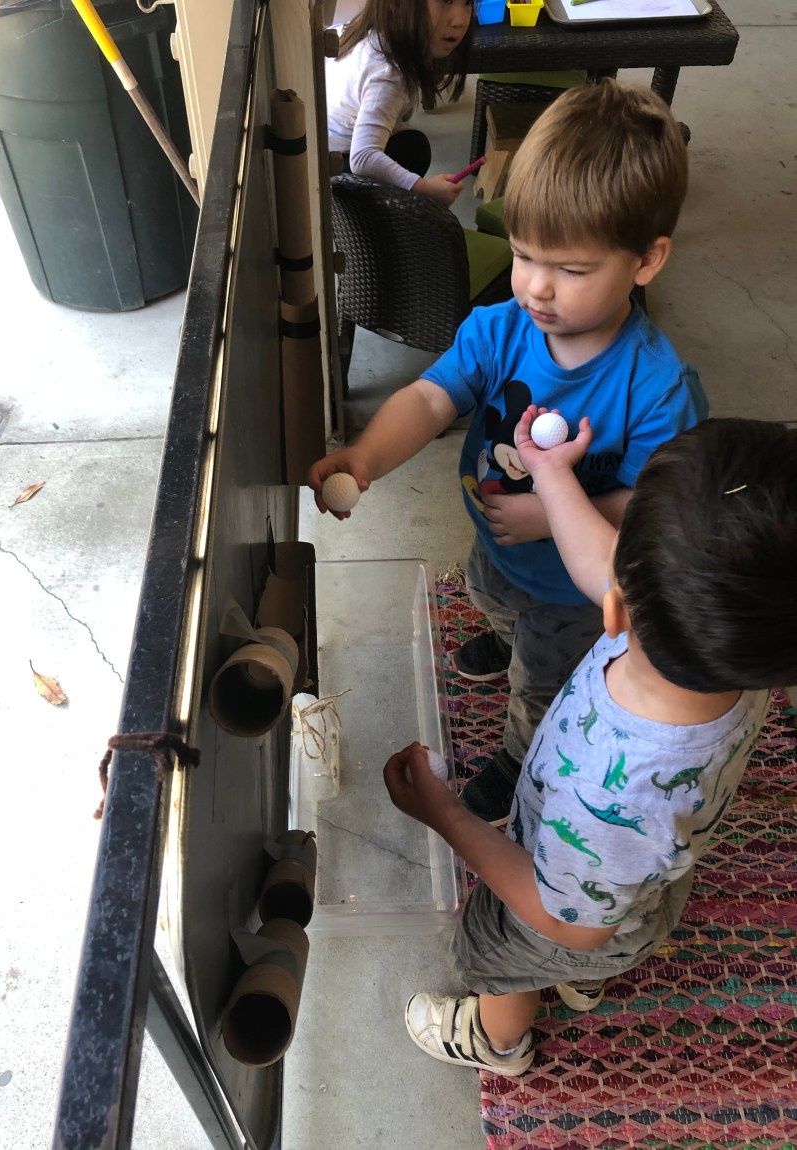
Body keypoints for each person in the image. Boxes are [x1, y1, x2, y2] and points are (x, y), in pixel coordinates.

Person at [309, 78, 708, 824]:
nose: (536, 288)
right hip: (497, 542)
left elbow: (652, 508)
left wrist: (550, 512)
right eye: (524, 255)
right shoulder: (500, 328)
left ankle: (521, 758)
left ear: (646, 260)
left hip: (572, 591)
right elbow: (431, 398)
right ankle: (502, 634)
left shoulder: (655, 388)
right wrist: (366, 458)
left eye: (571, 269)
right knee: (487, 593)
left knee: (542, 683)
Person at [383, 412, 797, 1076]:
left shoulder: (614, 786)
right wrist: (551, 473)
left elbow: (569, 924)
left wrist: (447, 816)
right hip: (628, 874)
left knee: (497, 955)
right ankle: (586, 971)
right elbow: (600, 563)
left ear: (616, 607)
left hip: (574, 910)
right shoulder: (736, 650)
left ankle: (497, 1043)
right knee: (606, 898)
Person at [325, 0, 473, 206]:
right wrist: (425, 190)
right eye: (444, 1)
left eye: (468, 2)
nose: (460, 21)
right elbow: (363, 157)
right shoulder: (389, 75)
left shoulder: (367, 29)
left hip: (325, 144)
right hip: (337, 171)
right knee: (414, 149)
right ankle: (365, 212)